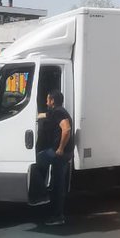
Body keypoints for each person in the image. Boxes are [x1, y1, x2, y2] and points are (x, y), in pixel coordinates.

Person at [30, 89, 73, 226]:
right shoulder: (56, 112)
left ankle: (42, 195)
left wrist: (60, 148)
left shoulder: (59, 112)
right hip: (64, 154)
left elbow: (66, 129)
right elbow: (43, 115)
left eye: (48, 99)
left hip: (59, 153)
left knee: (35, 162)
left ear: (53, 101)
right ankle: (57, 215)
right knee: (58, 184)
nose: (46, 101)